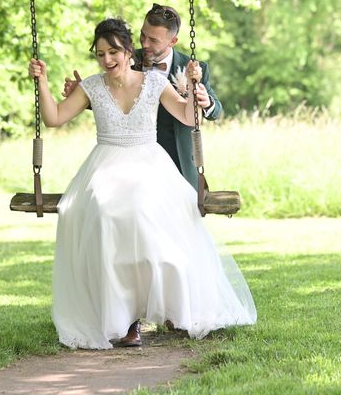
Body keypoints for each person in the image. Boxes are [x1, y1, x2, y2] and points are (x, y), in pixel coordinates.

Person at [29, 18, 256, 350]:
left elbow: (187, 116)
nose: (107, 60)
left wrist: (194, 88)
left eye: (114, 52)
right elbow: (54, 118)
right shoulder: (91, 86)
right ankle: (121, 319)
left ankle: (168, 305)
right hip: (105, 165)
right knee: (104, 211)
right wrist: (42, 82)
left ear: (128, 50)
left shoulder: (153, 82)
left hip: (149, 164)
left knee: (145, 211)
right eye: (101, 54)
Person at [63, 3, 222, 189]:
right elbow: (111, 95)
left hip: (179, 162)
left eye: (153, 40)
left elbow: (216, 111)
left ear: (172, 41)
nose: (144, 44)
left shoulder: (193, 67)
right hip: (133, 164)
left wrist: (206, 101)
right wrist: (84, 96)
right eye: (143, 35)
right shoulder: (123, 57)